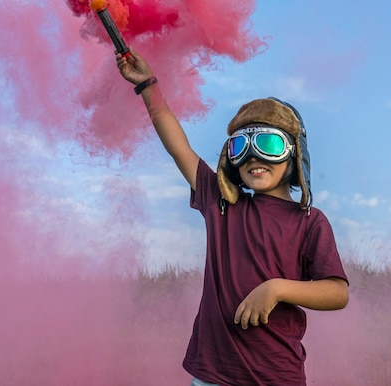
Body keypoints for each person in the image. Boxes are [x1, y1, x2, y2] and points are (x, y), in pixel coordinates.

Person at [116, 47, 349, 386]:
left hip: (276, 377)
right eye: (241, 145)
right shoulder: (221, 204)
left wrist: (276, 289)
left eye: (268, 143)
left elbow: (337, 293)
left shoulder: (309, 221)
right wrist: (147, 86)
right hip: (212, 375)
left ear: (294, 154)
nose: (255, 155)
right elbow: (178, 146)